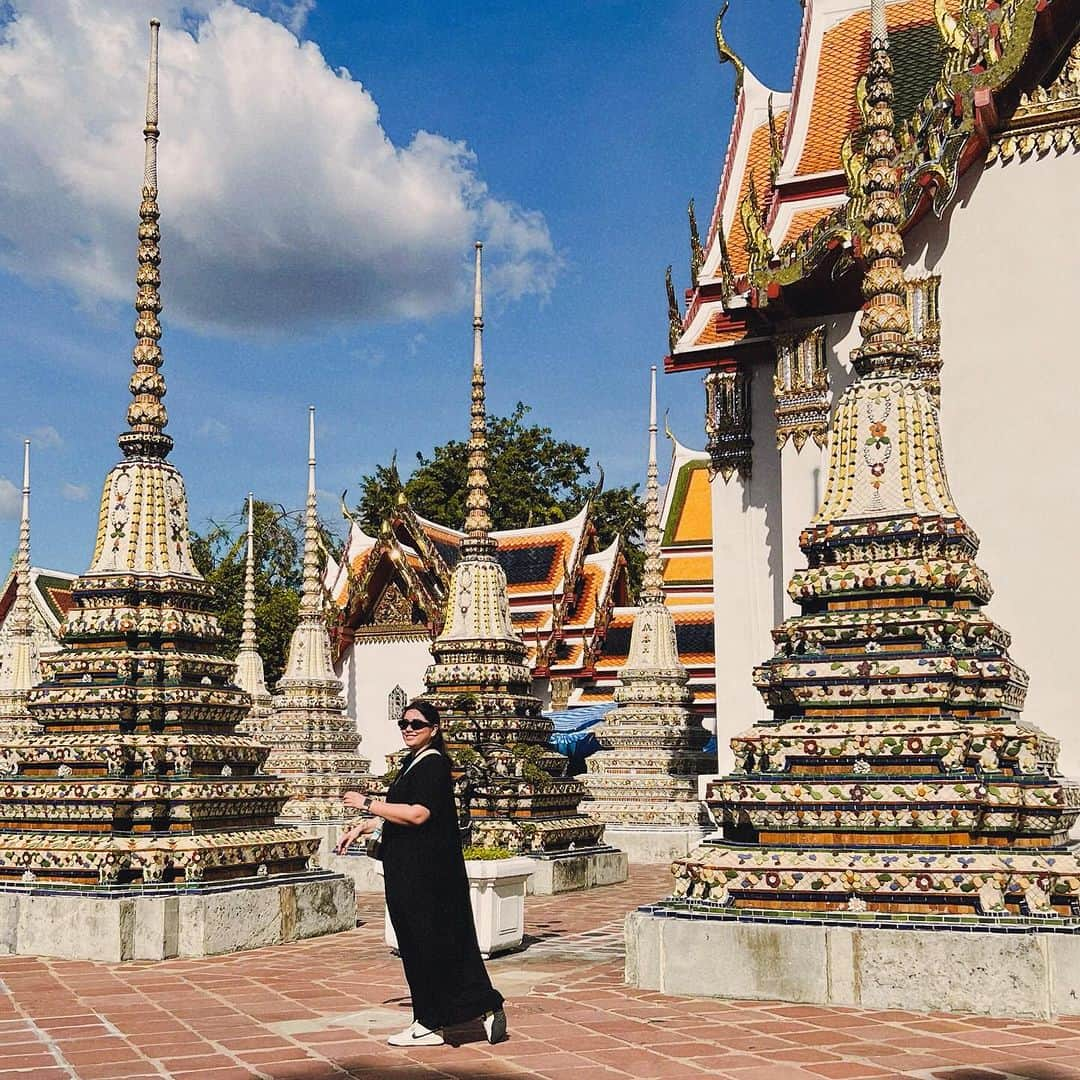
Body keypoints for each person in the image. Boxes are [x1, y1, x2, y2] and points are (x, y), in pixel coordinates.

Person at [336, 699, 507, 1047]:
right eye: (404, 723)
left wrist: (367, 802)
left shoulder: (433, 764)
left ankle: (430, 1024)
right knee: (442, 944)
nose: (409, 728)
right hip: (415, 872)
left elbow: (418, 815)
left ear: (434, 727)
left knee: (423, 947)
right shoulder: (414, 763)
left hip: (425, 877)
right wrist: (367, 825)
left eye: (417, 723)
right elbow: (402, 814)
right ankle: (484, 1004)